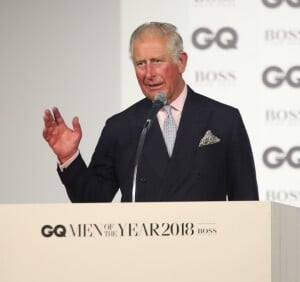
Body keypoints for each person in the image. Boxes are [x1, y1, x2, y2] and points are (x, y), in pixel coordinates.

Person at [43, 22, 259, 203]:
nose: (148, 74)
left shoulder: (224, 119)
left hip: (208, 249)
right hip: (141, 251)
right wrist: (69, 157)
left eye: (157, 61)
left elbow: (248, 204)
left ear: (181, 62)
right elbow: (92, 201)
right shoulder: (120, 127)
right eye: (140, 64)